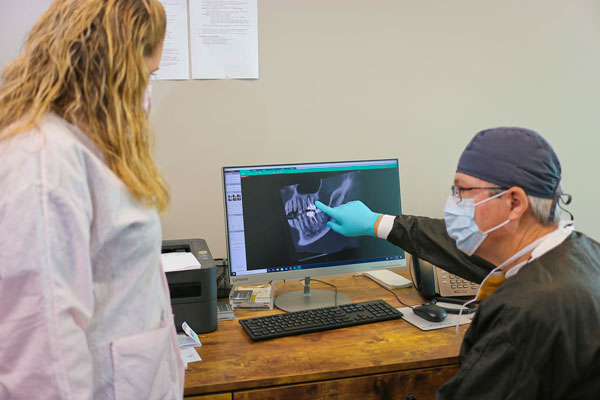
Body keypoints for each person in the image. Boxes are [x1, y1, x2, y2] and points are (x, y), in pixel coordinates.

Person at [316, 127, 600, 399]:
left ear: (514, 203)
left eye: (462, 192)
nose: (453, 203)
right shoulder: (582, 254)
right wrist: (375, 223)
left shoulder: (526, 311)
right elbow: (461, 249)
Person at [0, 1, 184, 399]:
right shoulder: (43, 161)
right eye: (146, 76)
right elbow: (44, 354)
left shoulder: (89, 146)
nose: (146, 94)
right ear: (113, 68)